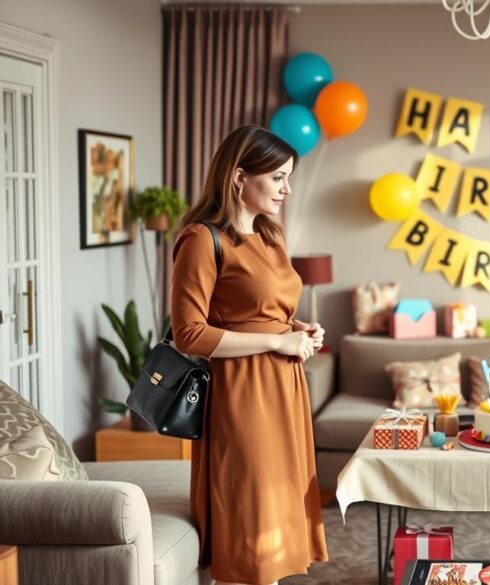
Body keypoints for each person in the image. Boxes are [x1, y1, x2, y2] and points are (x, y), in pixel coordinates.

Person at [172, 125, 329, 585]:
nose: (287, 188)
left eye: (289, 177)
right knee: (251, 515)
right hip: (242, 392)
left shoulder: (270, 235)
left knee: (279, 509)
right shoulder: (202, 239)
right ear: (240, 176)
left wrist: (296, 327)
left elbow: (265, 309)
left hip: (284, 387)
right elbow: (189, 334)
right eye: (278, 177)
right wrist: (277, 341)